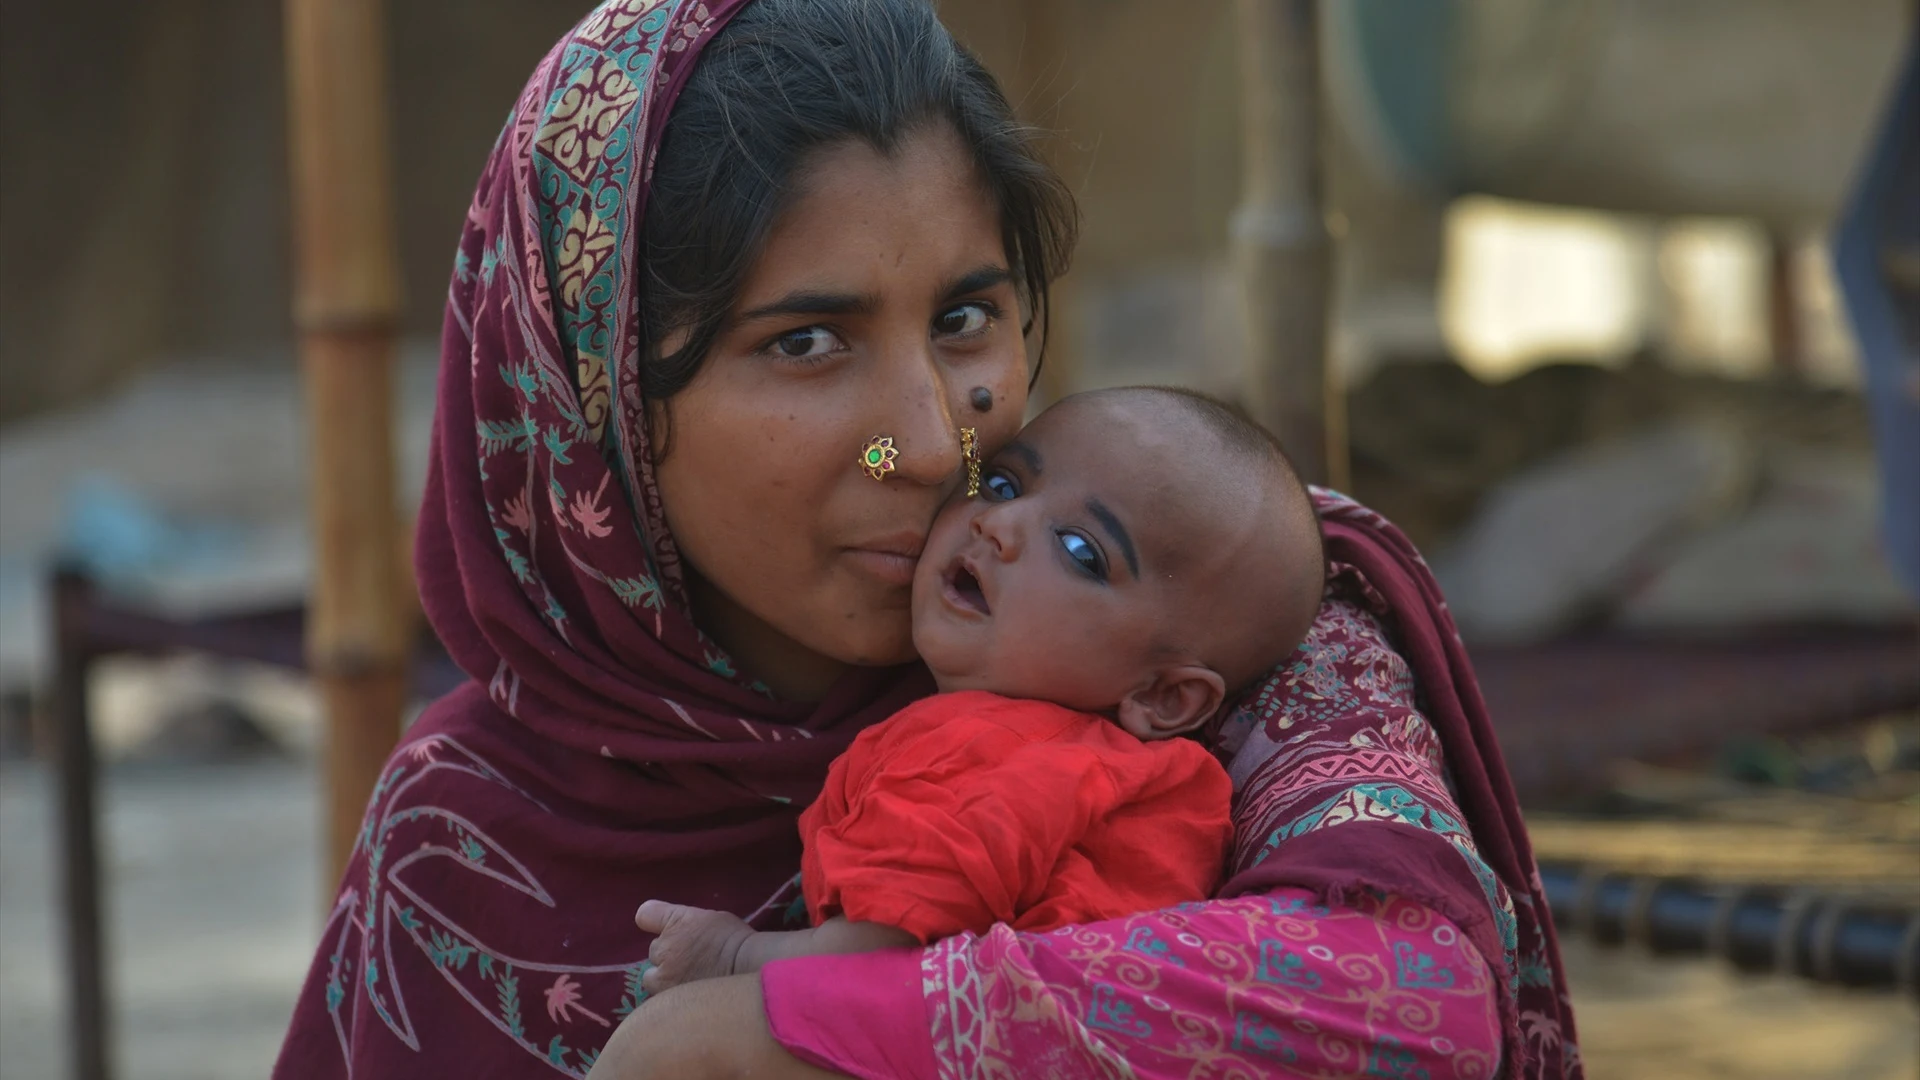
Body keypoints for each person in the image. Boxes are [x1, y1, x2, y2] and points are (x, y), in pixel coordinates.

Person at [272, 1, 1581, 1077]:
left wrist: (767, 1023)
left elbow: (1416, 1005)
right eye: (806, 343)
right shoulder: (459, 845)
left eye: (967, 320)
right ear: (595, 409)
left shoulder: (1222, 636)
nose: (931, 438)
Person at [631, 387, 1328, 989]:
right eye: (1001, 484)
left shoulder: (977, 749)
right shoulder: (1152, 778)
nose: (997, 525)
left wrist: (732, 957)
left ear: (1166, 698)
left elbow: (879, 956)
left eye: (1082, 550)